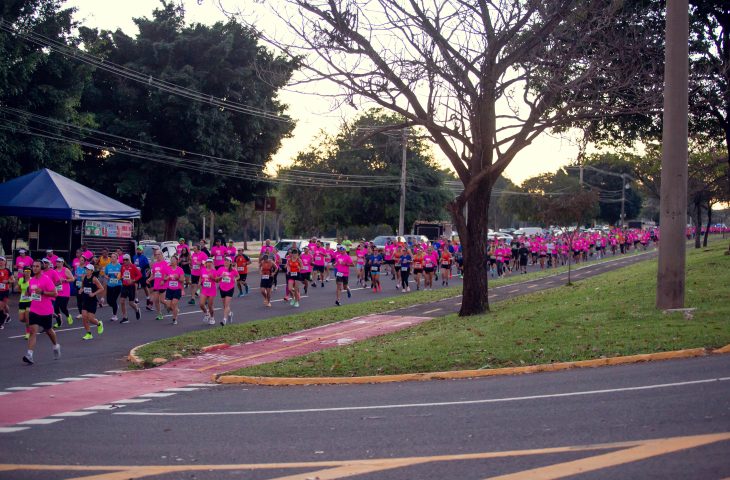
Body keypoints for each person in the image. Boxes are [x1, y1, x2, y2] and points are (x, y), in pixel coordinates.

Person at [23, 260, 61, 364]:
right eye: (33, 266)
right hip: (34, 309)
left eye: (37, 266)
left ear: (41, 268)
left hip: (46, 311)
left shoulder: (46, 279)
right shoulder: (31, 280)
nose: (34, 268)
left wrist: (43, 292)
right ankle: (29, 355)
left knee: (48, 331)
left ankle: (55, 346)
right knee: (32, 332)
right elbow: (29, 293)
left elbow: (55, 294)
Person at [80, 263, 104, 340]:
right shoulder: (84, 277)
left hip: (92, 301)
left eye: (88, 270)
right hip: (85, 299)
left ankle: (99, 323)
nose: (86, 271)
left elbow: (101, 288)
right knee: (84, 317)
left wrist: (94, 293)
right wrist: (81, 289)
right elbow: (83, 286)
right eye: (86, 269)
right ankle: (88, 333)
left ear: (92, 271)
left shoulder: (94, 279)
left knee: (90, 319)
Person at [119, 254, 142, 324]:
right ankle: (125, 317)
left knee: (131, 303)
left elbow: (139, 275)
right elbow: (122, 275)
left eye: (127, 260)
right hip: (124, 286)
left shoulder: (133, 266)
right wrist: (120, 277)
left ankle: (137, 309)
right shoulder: (122, 267)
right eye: (124, 260)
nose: (125, 261)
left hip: (131, 286)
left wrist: (133, 280)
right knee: (122, 301)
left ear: (129, 260)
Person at [162, 255, 184, 325]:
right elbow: (164, 278)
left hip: (177, 289)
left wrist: (177, 278)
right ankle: (176, 310)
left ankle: (174, 319)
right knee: (168, 306)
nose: (172, 261)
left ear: (177, 261)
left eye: (173, 260)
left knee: (174, 304)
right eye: (171, 260)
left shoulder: (180, 269)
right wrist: (168, 277)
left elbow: (182, 280)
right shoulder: (167, 268)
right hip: (169, 289)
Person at [147, 247, 168, 321]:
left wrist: (164, 280)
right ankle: (159, 314)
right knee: (156, 300)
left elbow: (168, 275)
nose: (157, 256)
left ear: (162, 255)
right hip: (156, 284)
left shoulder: (165, 263)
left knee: (162, 300)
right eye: (156, 254)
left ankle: (170, 306)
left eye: (159, 254)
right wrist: (149, 279)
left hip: (163, 284)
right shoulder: (155, 265)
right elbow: (153, 275)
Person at [53, 258, 74, 328]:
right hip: (57, 291)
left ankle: (68, 315)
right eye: (57, 262)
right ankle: (59, 322)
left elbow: (72, 279)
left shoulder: (66, 270)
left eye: (59, 262)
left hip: (65, 292)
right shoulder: (54, 271)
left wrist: (65, 280)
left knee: (63, 307)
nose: (57, 263)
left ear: (62, 263)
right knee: (55, 308)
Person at [216, 257, 238, 325]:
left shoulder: (233, 270)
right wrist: (221, 277)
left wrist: (235, 279)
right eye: (225, 260)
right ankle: (230, 313)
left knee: (226, 305)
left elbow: (238, 276)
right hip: (222, 288)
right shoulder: (220, 269)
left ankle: (224, 320)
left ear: (230, 262)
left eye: (227, 260)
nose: (225, 261)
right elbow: (216, 279)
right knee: (224, 305)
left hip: (230, 288)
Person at [104, 253, 123, 322]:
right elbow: (105, 275)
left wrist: (117, 275)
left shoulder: (120, 266)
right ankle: (115, 306)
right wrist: (108, 277)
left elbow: (122, 276)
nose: (112, 258)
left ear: (117, 258)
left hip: (118, 285)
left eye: (114, 257)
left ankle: (115, 316)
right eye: (111, 257)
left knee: (113, 299)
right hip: (110, 285)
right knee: (109, 301)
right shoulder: (108, 266)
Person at [133, 246, 152, 311]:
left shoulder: (144, 257)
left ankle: (148, 297)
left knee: (144, 287)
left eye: (140, 250)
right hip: (135, 275)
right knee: (135, 286)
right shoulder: (134, 257)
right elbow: (133, 264)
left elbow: (147, 266)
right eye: (137, 250)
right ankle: (136, 299)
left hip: (142, 275)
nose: (138, 251)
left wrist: (141, 269)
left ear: (142, 251)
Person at [199, 258, 218, 325]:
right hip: (204, 289)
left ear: (212, 263)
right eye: (208, 262)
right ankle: (207, 314)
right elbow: (201, 278)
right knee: (201, 304)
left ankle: (212, 318)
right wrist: (199, 284)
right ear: (206, 264)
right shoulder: (203, 270)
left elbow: (217, 280)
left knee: (210, 305)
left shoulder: (214, 271)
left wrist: (212, 277)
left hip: (212, 290)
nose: (209, 263)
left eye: (210, 262)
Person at [16, 267, 32, 339]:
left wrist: (29, 293)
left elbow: (36, 290)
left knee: (27, 317)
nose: (27, 272)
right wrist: (20, 291)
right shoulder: (21, 280)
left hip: (30, 301)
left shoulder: (33, 280)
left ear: (30, 272)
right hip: (22, 301)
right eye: (26, 271)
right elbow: (19, 288)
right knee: (21, 319)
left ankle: (28, 332)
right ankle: (31, 322)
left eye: (29, 271)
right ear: (23, 272)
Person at [0, 256, 13, 328]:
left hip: (4, 291)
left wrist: (7, 281)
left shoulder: (7, 270)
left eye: (2, 260)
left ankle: (1, 324)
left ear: (5, 262)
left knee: (0, 307)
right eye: (0, 260)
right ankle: (7, 316)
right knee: (4, 306)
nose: (0, 262)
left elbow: (13, 280)